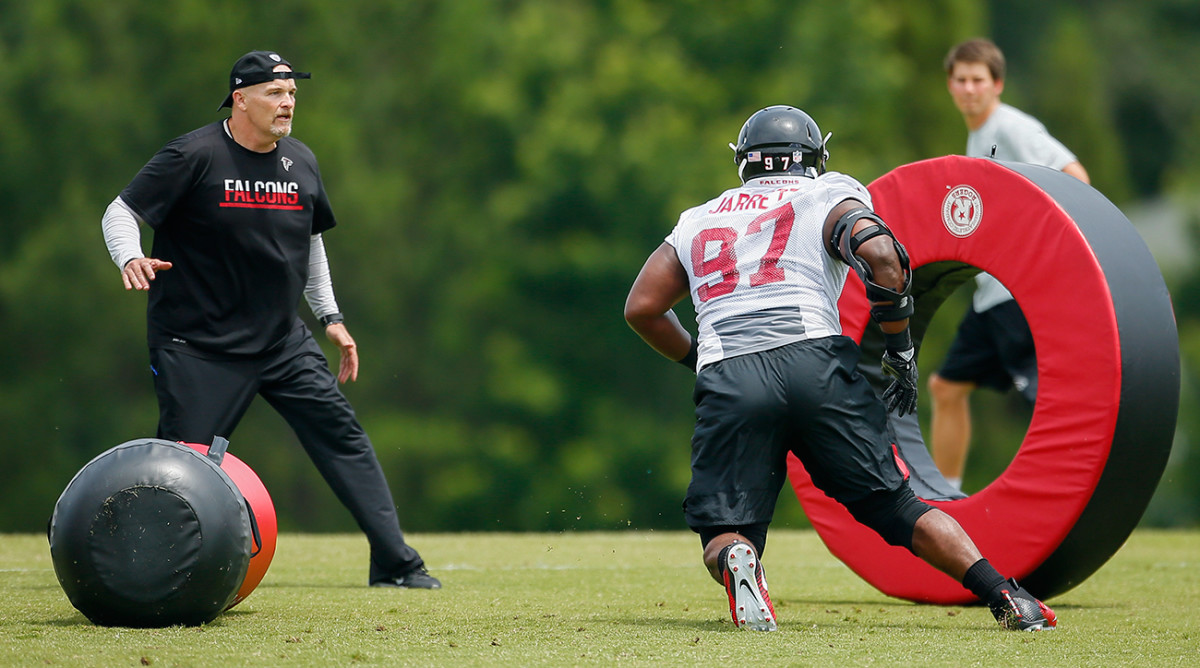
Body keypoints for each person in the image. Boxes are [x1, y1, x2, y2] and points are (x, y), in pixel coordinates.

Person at [624, 105, 1056, 632]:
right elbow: (883, 256)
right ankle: (1006, 597)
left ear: (744, 163)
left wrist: (700, 360)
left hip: (731, 375)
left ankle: (742, 561)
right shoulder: (825, 192)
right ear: (812, 157)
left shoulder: (699, 219)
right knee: (899, 507)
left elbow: (643, 307)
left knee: (724, 529)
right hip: (814, 365)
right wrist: (899, 350)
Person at [101, 50, 440, 589]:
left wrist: (330, 316)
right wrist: (129, 255)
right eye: (275, 94)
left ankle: (397, 564)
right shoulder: (194, 154)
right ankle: (145, 565)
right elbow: (119, 212)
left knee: (343, 437)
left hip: (282, 341)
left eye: (292, 96)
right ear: (241, 99)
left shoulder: (300, 161)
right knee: (183, 473)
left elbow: (311, 244)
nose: (287, 105)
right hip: (197, 346)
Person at [929, 38, 1091, 490]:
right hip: (992, 294)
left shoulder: (1011, 127)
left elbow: (1076, 177)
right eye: (960, 80)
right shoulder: (979, 136)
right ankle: (947, 500)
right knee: (946, 388)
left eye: (977, 80)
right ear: (950, 85)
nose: (968, 89)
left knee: (1048, 404)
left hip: (1022, 294)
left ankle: (1072, 494)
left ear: (996, 84)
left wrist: (1044, 257)